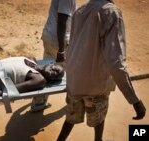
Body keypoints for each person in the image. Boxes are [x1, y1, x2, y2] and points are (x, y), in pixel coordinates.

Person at [57, 0, 146, 141]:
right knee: (98, 118)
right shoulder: (111, 12)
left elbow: (72, 48)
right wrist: (135, 100)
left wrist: (70, 82)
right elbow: (116, 63)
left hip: (74, 80)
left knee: (71, 117)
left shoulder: (80, 11)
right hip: (96, 84)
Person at [30, 0, 76, 112]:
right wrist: (61, 51)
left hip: (49, 36)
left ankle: (38, 103)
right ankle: (74, 101)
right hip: (58, 41)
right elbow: (62, 21)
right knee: (73, 71)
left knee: (47, 70)